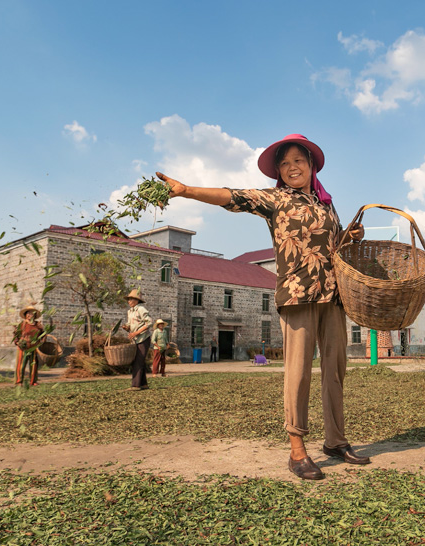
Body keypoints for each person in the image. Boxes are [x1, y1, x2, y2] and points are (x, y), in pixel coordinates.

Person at [157, 133, 368, 480]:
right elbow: (232, 196)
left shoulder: (326, 204)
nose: (291, 167)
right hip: (297, 294)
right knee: (298, 373)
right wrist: (187, 190)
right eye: (284, 164)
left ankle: (336, 441)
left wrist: (350, 236)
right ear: (279, 173)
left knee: (335, 370)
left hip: (333, 296)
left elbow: (334, 244)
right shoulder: (275, 200)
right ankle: (297, 450)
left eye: (298, 160)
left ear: (311, 164)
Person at [122, 289, 152, 390]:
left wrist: (136, 333)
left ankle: (135, 385)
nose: (129, 301)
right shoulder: (129, 311)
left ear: (136, 300)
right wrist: (126, 327)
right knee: (139, 361)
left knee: (138, 362)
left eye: (131, 299)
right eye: (128, 300)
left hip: (143, 338)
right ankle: (143, 384)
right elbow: (130, 325)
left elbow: (149, 323)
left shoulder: (141, 309)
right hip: (135, 339)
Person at [13, 305, 44, 388]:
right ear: (26, 315)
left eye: (32, 313)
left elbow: (43, 334)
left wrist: (42, 340)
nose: (30, 315)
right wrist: (17, 342)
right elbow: (16, 335)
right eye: (28, 313)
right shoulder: (22, 324)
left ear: (34, 315)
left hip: (33, 347)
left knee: (33, 364)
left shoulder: (38, 325)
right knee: (21, 365)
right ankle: (19, 381)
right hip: (23, 348)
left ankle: (33, 381)